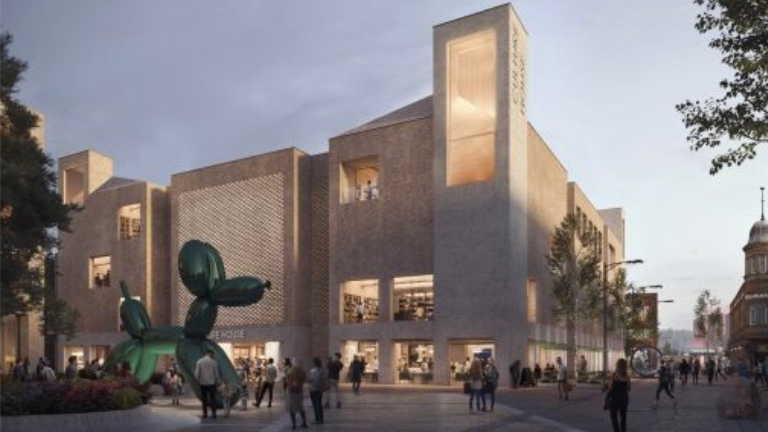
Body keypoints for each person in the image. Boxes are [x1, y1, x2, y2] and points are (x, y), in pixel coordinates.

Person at [195, 349, 222, 419]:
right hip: (212, 383)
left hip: (203, 383)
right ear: (210, 354)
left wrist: (197, 381)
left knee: (204, 399)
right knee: (213, 399)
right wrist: (218, 382)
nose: (213, 356)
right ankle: (214, 413)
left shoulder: (199, 361)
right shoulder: (213, 362)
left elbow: (197, 373)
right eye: (213, 354)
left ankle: (205, 414)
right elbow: (216, 373)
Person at [607, 358, 631, 432]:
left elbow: (610, 387)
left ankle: (616, 430)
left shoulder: (614, 375)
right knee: (623, 417)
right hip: (624, 399)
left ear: (617, 365)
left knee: (614, 416)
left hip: (615, 399)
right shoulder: (627, 377)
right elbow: (628, 388)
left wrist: (607, 386)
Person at [286, 358, 308, 430]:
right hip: (300, 391)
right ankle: (304, 422)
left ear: (294, 363)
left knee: (292, 408)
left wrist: (291, 385)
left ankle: (294, 424)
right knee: (301, 407)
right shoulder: (302, 370)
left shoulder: (292, 370)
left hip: (293, 391)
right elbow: (304, 380)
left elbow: (291, 381)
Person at [308, 356, 326, 424]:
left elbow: (311, 379)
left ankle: (317, 419)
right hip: (320, 389)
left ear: (314, 363)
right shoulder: (322, 369)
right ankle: (320, 418)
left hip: (314, 389)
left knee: (316, 405)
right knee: (319, 404)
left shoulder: (313, 370)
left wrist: (309, 380)